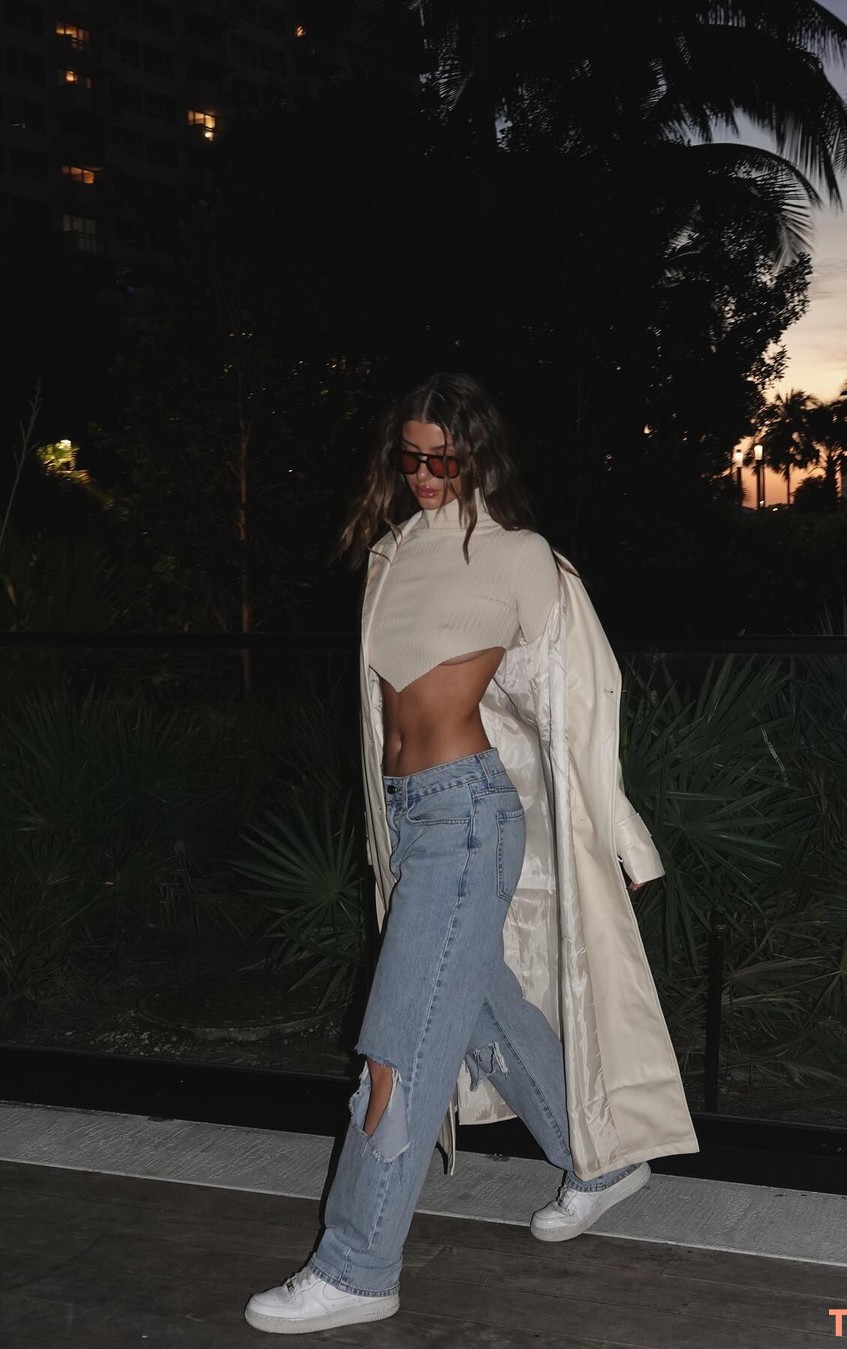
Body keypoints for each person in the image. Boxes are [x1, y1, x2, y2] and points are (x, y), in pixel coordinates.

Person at [245, 373, 697, 1335]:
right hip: (410, 819)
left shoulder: (521, 556)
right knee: (486, 1013)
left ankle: (357, 1265)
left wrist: (616, 834)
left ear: (477, 455)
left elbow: (583, 700)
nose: (424, 474)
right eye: (410, 456)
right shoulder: (390, 554)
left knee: (396, 1051)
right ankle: (604, 1160)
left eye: (443, 458)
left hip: (469, 817)